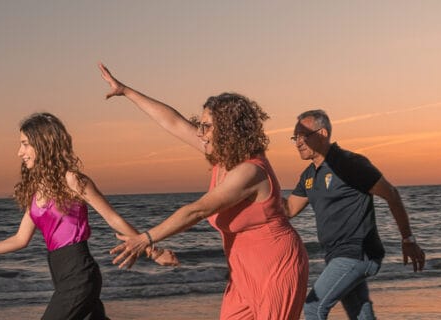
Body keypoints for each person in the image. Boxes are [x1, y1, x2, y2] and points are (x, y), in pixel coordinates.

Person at [100, 63, 309, 320]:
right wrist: (126, 91)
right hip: (242, 273)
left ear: (229, 129)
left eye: (207, 126)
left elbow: (198, 210)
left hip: (276, 267)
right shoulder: (223, 159)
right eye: (200, 125)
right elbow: (173, 122)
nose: (201, 133)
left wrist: (146, 239)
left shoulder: (249, 172)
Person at [0, 112, 179, 320]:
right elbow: (20, 239)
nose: (19, 152)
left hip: (80, 276)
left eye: (25, 143)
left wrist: (153, 251)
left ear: (43, 143)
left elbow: (113, 219)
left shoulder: (72, 180)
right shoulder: (37, 190)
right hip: (62, 276)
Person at [285, 109, 426, 320]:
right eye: (295, 137)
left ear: (322, 134)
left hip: (358, 253)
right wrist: (255, 192)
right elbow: (288, 209)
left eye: (303, 136)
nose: (298, 142)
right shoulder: (309, 175)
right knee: (360, 313)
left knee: (314, 307)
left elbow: (392, 194)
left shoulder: (349, 163)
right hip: (336, 256)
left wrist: (408, 238)